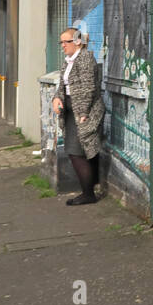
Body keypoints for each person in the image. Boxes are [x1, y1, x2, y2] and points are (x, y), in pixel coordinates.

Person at [51, 28, 103, 206]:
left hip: (83, 111)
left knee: (76, 152)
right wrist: (56, 98)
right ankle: (90, 189)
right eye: (61, 42)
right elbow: (63, 84)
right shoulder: (69, 61)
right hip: (71, 110)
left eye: (66, 42)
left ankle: (88, 194)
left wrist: (83, 113)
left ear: (77, 42)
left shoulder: (86, 58)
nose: (62, 45)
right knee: (79, 150)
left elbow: (89, 87)